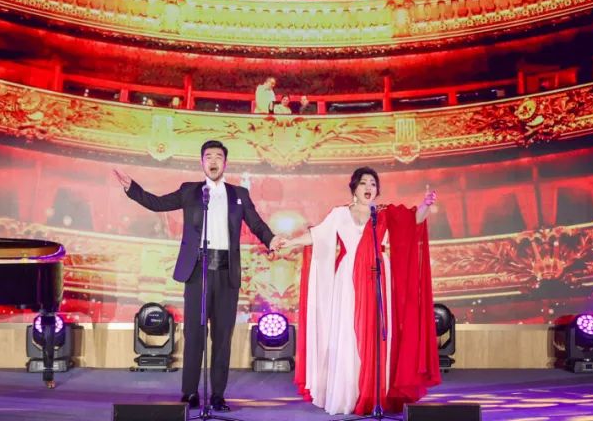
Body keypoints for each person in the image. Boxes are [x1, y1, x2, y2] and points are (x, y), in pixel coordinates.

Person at [114, 141, 286, 412]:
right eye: (208, 156)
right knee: (194, 334)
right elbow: (158, 203)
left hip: (226, 272)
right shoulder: (190, 191)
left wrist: (271, 239)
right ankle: (190, 392)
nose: (213, 161)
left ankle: (217, 395)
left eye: (218, 156)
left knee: (222, 336)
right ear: (202, 162)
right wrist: (132, 189)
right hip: (198, 271)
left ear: (225, 163)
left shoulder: (239, 194)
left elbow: (256, 223)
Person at [283, 168, 440, 415]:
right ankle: (350, 394)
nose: (369, 187)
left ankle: (376, 394)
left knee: (378, 334)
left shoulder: (384, 213)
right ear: (354, 188)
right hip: (348, 278)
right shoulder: (339, 214)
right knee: (348, 331)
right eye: (364, 183)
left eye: (373, 184)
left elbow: (414, 221)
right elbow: (317, 236)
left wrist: (426, 205)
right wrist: (290, 242)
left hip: (379, 277)